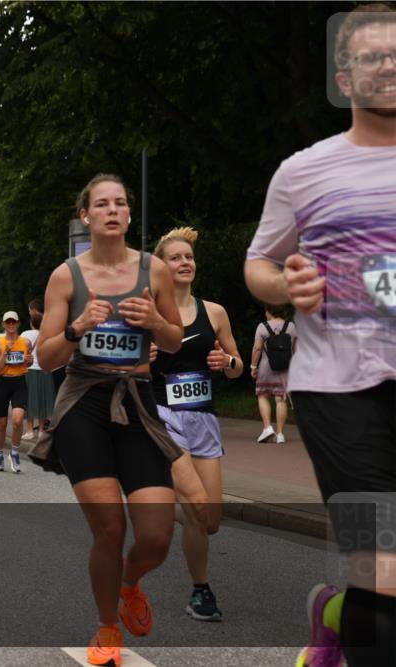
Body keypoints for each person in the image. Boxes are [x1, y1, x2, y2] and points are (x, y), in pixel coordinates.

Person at [245, 7, 396, 665]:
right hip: (339, 390)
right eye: (372, 56)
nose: (388, 65)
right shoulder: (304, 170)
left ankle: (334, 614)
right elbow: (258, 262)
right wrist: (286, 286)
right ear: (345, 77)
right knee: (381, 567)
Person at [33, 174, 184, 666]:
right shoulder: (66, 276)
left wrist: (156, 323)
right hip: (85, 403)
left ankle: (130, 582)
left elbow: (176, 341)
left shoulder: (155, 271)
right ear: (87, 216)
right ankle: (106, 628)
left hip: (137, 400)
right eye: (102, 204)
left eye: (120, 203)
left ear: (128, 215)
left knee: (158, 536)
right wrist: (79, 326)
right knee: (110, 530)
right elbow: (48, 357)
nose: (112, 210)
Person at [150, 226, 245, 623]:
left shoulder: (215, 312)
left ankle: (159, 500)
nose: (185, 262)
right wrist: (144, 358)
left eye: (189, 257)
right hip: (163, 416)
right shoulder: (149, 311)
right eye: (176, 257)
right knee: (196, 505)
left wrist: (228, 364)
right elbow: (119, 368)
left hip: (204, 417)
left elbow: (241, 368)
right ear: (161, 266)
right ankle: (201, 590)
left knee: (210, 522)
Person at [0, 311, 33, 472]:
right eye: (7, 322)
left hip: (19, 382)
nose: (10, 324)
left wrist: (30, 361)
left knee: (18, 419)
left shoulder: (26, 342)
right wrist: (5, 353)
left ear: (17, 324)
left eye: (13, 322)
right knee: (1, 424)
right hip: (2, 383)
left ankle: (14, 453)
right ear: (3, 324)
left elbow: (27, 362)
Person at [250, 303, 297, 443]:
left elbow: (257, 349)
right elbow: (296, 350)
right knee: (280, 399)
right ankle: (280, 434)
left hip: (266, 367)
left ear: (269, 311)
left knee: (262, 395)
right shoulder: (291, 326)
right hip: (285, 368)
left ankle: (267, 428)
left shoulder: (262, 327)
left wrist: (253, 366)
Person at [20, 299, 55, 441]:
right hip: (45, 371)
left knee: (29, 401)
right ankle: (41, 430)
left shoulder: (25, 334)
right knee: (42, 401)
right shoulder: (48, 335)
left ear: (31, 323)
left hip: (29, 371)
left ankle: (29, 430)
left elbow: (19, 353)